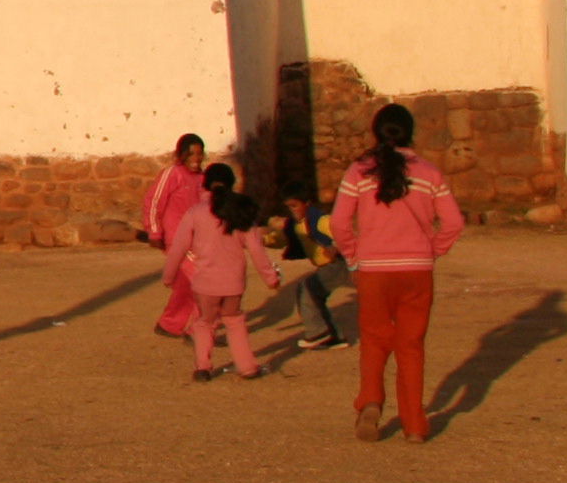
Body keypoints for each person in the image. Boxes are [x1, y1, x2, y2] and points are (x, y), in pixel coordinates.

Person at [333, 104, 466, 442]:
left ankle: (371, 402)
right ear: (411, 132)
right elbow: (453, 222)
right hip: (417, 270)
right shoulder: (429, 172)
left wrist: (352, 257)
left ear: (376, 133)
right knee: (411, 346)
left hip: (374, 270)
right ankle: (415, 424)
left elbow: (338, 223)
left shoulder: (359, 172)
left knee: (375, 339)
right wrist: (432, 249)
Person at [168, 185, 280, 382]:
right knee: (235, 322)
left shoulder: (196, 212)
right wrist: (271, 278)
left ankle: (203, 367)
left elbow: (179, 246)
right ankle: (247, 367)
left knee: (204, 323)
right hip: (233, 284)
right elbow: (257, 252)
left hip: (205, 284)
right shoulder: (241, 216)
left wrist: (169, 276)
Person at [139, 135, 210, 338]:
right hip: (177, 239)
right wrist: (154, 231)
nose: (196, 158)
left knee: (186, 284)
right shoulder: (172, 174)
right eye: (192, 154)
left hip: (198, 240)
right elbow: (153, 202)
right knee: (204, 278)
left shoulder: (203, 178)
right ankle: (199, 328)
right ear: (182, 155)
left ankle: (170, 324)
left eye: (199, 153)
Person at [274, 194, 347, 349]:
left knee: (308, 289)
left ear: (307, 203)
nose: (292, 211)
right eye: (288, 207)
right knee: (313, 293)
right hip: (327, 266)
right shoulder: (294, 224)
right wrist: (259, 239)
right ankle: (334, 337)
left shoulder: (321, 220)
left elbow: (342, 234)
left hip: (337, 264)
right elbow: (280, 239)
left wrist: (336, 247)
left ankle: (318, 333)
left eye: (294, 206)